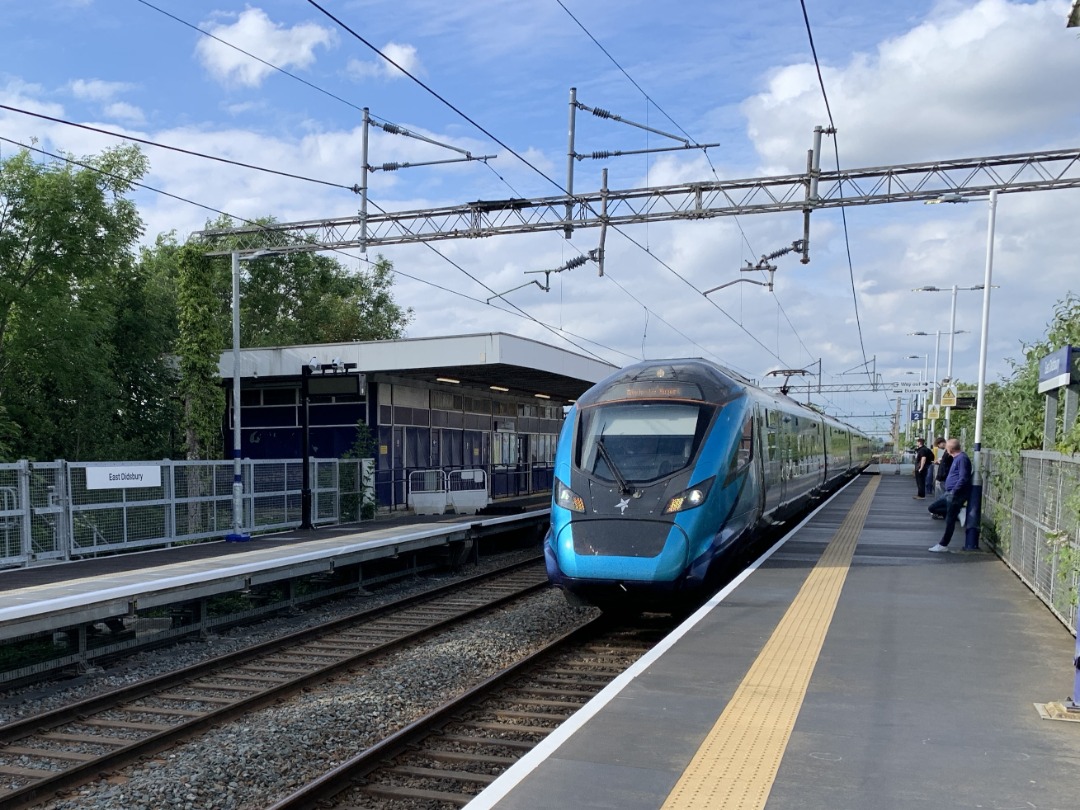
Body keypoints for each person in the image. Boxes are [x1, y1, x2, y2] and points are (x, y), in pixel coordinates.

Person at [928, 438, 972, 552]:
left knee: (949, 520)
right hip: (949, 493)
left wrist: (954, 490)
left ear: (950, 449)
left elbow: (963, 477)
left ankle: (943, 545)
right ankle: (960, 511)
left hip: (954, 494)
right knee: (932, 508)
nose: (945, 449)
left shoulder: (962, 459)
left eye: (947, 447)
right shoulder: (956, 458)